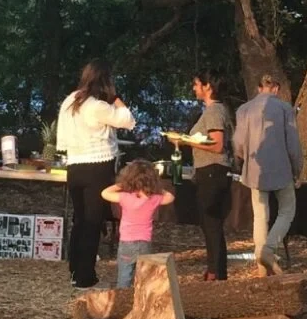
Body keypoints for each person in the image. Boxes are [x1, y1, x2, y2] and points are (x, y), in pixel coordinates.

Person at [56, 59, 135, 288]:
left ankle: (74, 269)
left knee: (80, 220)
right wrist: (115, 97)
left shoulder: (71, 100)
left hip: (75, 165)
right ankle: (85, 276)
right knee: (92, 221)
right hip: (97, 166)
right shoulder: (98, 106)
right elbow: (128, 120)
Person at [233, 74, 303, 274]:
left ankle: (260, 263)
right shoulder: (284, 109)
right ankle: (269, 249)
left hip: (255, 170)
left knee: (260, 215)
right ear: (276, 89)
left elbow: (238, 144)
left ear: (258, 88)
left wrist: (246, 159)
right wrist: (297, 169)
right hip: (282, 169)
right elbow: (293, 145)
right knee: (287, 210)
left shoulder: (243, 110)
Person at [180, 72, 233, 280]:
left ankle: (216, 271)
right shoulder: (213, 111)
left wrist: (187, 141)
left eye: (196, 84)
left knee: (211, 223)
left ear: (208, 86)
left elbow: (217, 145)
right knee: (210, 224)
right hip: (209, 170)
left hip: (212, 171)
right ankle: (215, 269)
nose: (194, 88)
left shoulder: (214, 111)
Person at [103, 159, 176, 289]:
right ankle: (142, 303)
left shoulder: (125, 197)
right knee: (143, 277)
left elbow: (105, 193)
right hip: (144, 242)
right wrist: (158, 188)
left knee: (124, 277)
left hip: (127, 242)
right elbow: (170, 197)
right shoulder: (153, 199)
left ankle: (122, 300)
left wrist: (121, 185)